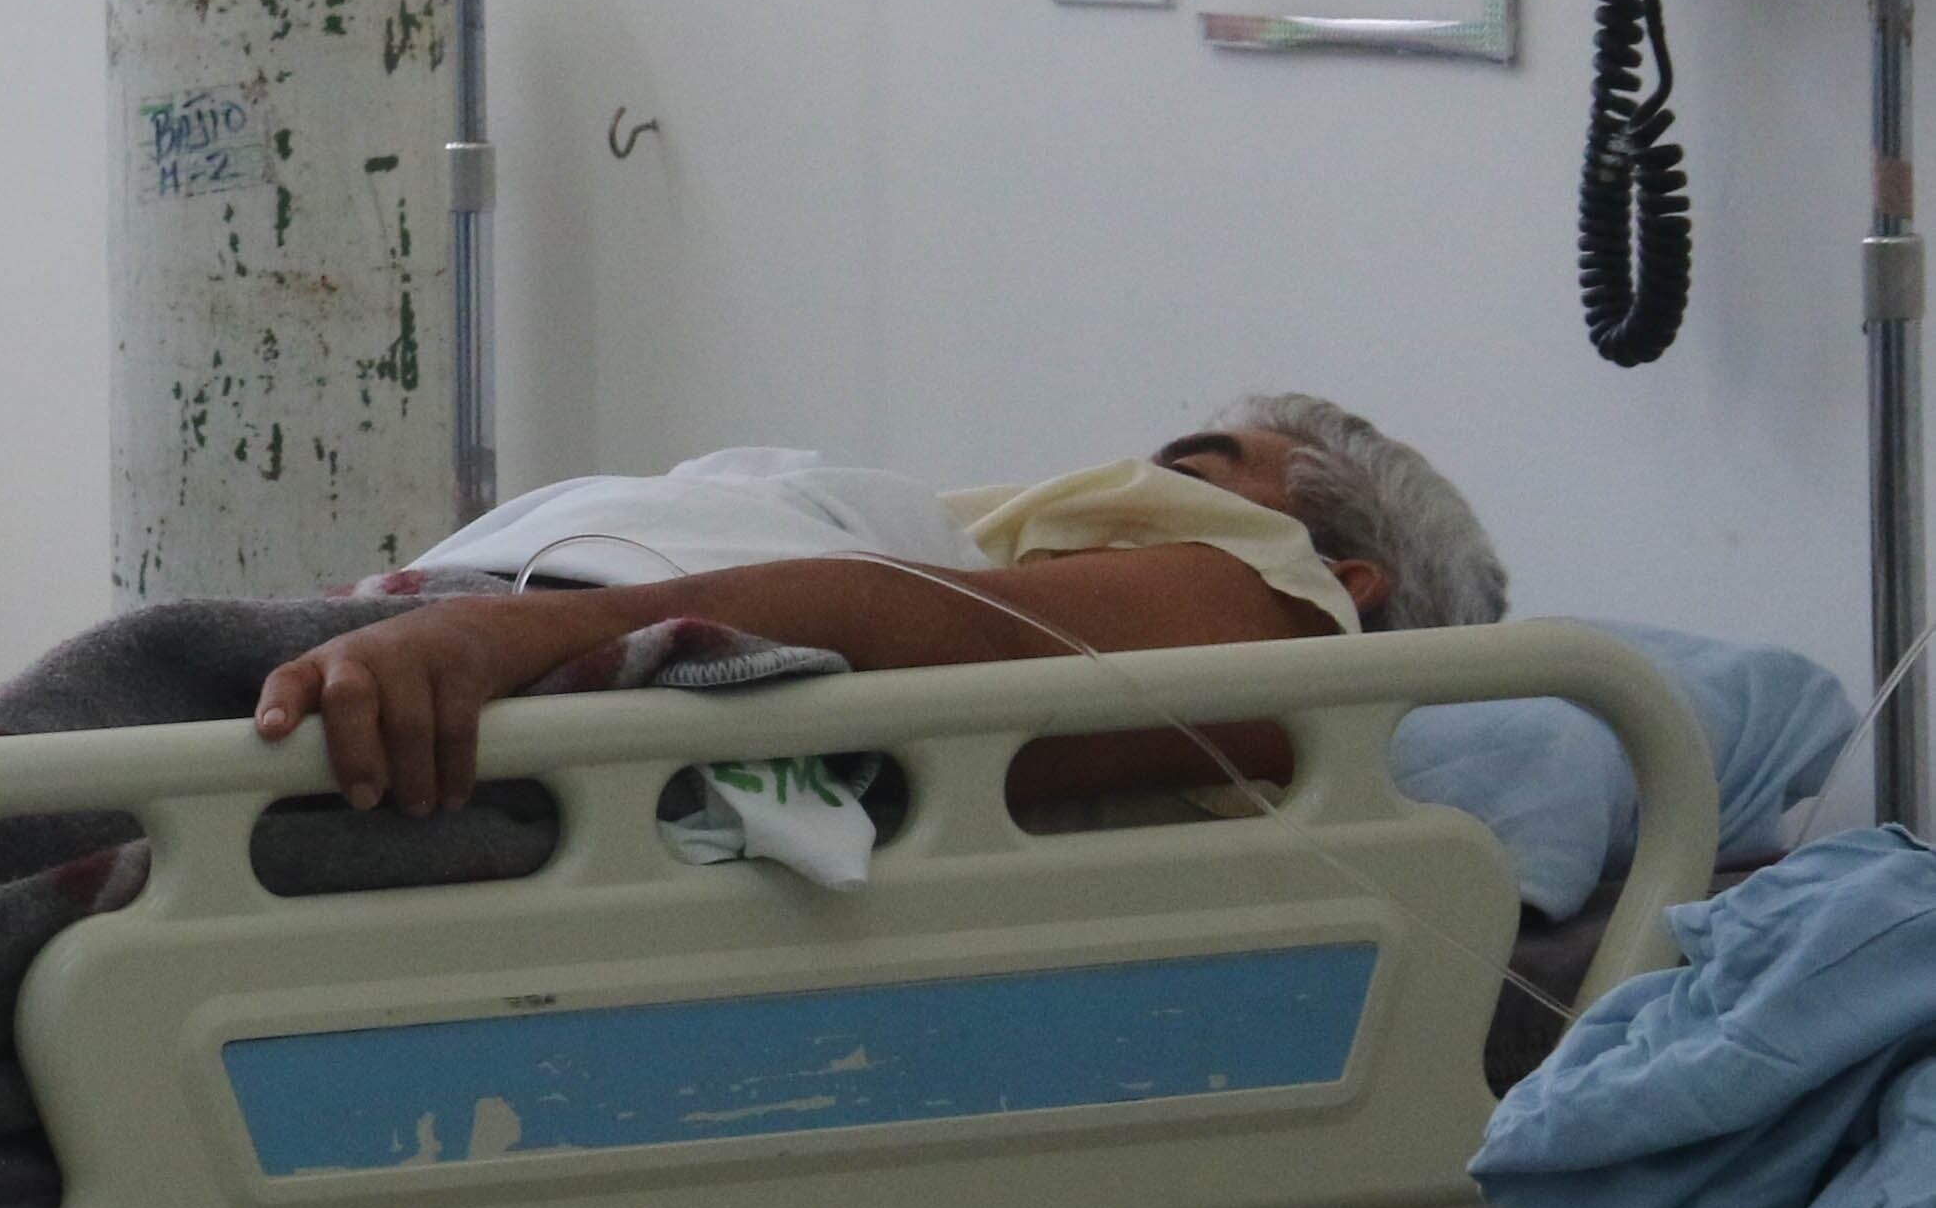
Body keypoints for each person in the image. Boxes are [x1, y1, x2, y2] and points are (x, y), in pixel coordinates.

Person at [256, 391, 1507, 811]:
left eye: (1186, 469)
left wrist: (503, 630)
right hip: (436, 639)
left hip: (513, 669)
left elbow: (953, 646)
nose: (1118, 488)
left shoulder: (1279, 606)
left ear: (1344, 577)